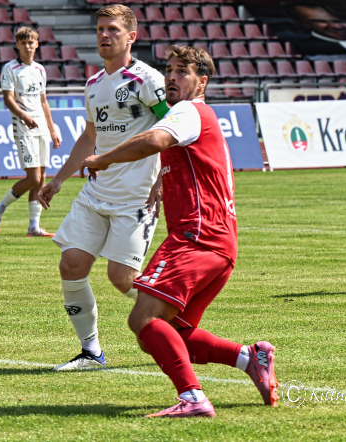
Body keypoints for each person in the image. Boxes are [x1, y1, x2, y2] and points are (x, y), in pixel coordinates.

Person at [81, 45, 278, 417]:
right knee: (172, 332)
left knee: (144, 320)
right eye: (169, 70)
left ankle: (193, 398)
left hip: (196, 238)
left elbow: (155, 140)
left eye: (182, 72)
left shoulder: (189, 111)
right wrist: (162, 182)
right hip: (220, 244)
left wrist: (103, 158)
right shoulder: (198, 116)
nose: (171, 77)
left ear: (202, 81)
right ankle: (249, 357)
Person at [36, 4, 168, 372]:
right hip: (97, 193)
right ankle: (91, 352)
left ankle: (176, 319)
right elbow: (90, 136)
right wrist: (59, 179)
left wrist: (163, 180)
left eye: (113, 29)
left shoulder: (147, 80)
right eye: (100, 29)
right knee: (71, 263)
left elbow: (171, 130)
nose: (104, 35)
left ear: (131, 37)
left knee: (121, 277)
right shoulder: (93, 85)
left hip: (136, 197)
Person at [0, 26, 62, 236]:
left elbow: (44, 101)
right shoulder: (10, 69)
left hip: (40, 128)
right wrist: (25, 117)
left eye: (31, 42)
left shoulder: (40, 69)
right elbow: (8, 99)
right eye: (23, 43)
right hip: (23, 127)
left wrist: (52, 130)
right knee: (33, 178)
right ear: (17, 45)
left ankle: (33, 227)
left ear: (37, 44)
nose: (28, 46)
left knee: (41, 177)